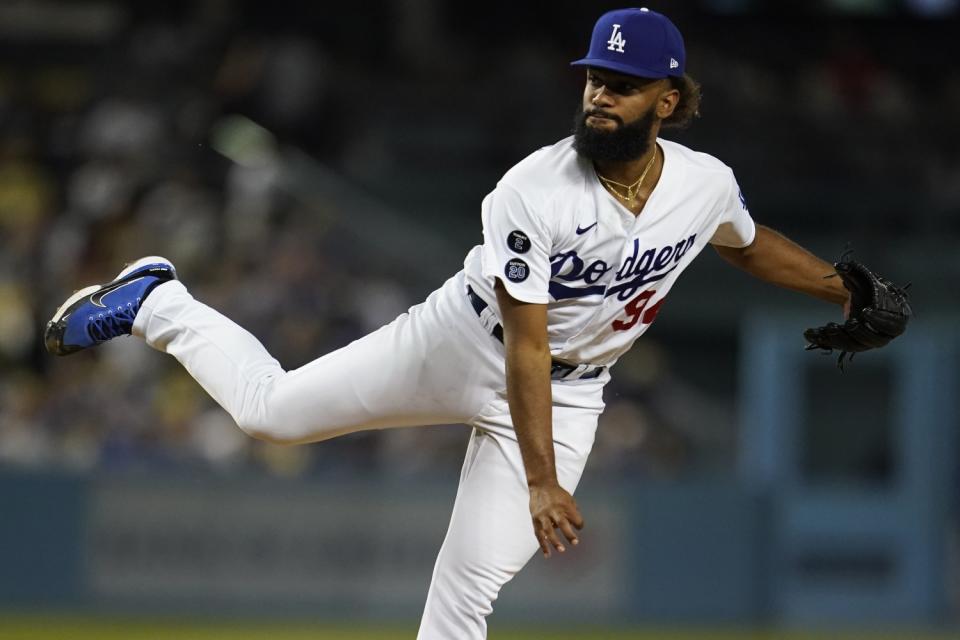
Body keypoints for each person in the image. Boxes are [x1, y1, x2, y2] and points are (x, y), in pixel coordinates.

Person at [45, 8, 859, 639]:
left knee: (465, 589)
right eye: (593, 77)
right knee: (271, 415)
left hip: (571, 397)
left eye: (622, 83)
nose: (599, 94)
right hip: (462, 341)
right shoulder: (530, 191)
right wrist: (541, 482)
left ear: (669, 100)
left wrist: (846, 293)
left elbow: (749, 247)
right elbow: (528, 341)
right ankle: (159, 302)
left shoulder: (705, 183)